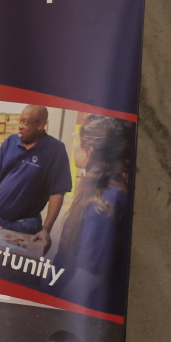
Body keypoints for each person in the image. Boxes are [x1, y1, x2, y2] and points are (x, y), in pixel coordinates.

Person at [54, 115, 135, 315]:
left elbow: (85, 279)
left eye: (77, 143)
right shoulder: (98, 188)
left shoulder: (103, 206)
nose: (73, 148)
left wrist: (57, 314)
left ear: (89, 150)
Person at [0, 105, 72, 253]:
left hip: (27, 225)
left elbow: (57, 192)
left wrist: (46, 229)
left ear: (40, 125)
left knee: (16, 272)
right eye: (19, 121)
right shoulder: (10, 142)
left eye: (25, 123)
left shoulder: (55, 150)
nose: (20, 127)